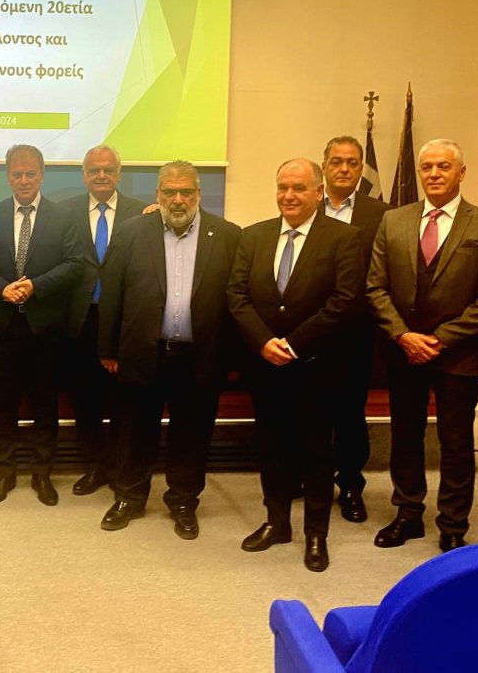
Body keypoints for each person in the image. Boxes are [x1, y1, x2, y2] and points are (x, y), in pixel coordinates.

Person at [368, 138, 478, 552]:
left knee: (456, 442)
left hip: (459, 354)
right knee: (405, 435)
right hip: (403, 350)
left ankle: (453, 523)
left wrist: (440, 339)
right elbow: (375, 287)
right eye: (427, 166)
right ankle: (407, 512)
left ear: (461, 172)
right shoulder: (394, 220)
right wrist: (402, 335)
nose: (434, 173)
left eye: (444, 166)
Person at [228, 159, 362, 571]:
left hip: (318, 366)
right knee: (271, 446)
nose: (288, 195)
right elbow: (236, 295)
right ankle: (277, 522)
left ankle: (316, 534)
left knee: (317, 451)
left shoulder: (344, 238)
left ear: (319, 193)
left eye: (299, 188)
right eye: (282, 187)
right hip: (266, 365)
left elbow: (344, 301)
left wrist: (294, 343)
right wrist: (263, 341)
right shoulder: (253, 236)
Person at [97, 161, 241, 540]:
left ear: (199, 194)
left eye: (186, 192)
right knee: (135, 429)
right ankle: (129, 497)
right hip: (143, 351)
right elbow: (112, 293)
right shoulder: (131, 232)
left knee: (192, 433)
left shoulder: (228, 236)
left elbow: (237, 300)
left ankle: (183, 500)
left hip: (200, 354)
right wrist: (108, 348)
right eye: (169, 192)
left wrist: (233, 357)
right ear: (157, 194)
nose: (178, 200)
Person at [0, 145, 83, 505]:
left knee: (45, 405)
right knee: (4, 405)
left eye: (30, 174)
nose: (23, 180)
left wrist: (36, 286)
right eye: (16, 174)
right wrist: (2, 288)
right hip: (4, 325)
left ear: (42, 175)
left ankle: (42, 473)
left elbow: (74, 263)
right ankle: (4, 472)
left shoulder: (62, 215)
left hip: (46, 327)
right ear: (7, 177)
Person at [60, 144, 144, 496]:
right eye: (94, 170)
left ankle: (122, 468)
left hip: (124, 321)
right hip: (81, 320)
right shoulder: (65, 211)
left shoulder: (142, 213)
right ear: (84, 175)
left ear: (119, 174)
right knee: (86, 399)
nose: (101, 176)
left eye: (108, 169)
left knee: (124, 401)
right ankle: (95, 466)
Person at [319, 136, 390, 522]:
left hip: (355, 332)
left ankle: (349, 485)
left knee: (349, 412)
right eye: (336, 161)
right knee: (307, 410)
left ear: (361, 168)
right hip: (309, 330)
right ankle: (310, 478)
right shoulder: (306, 203)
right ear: (324, 166)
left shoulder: (381, 214)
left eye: (351, 162)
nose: (344, 168)